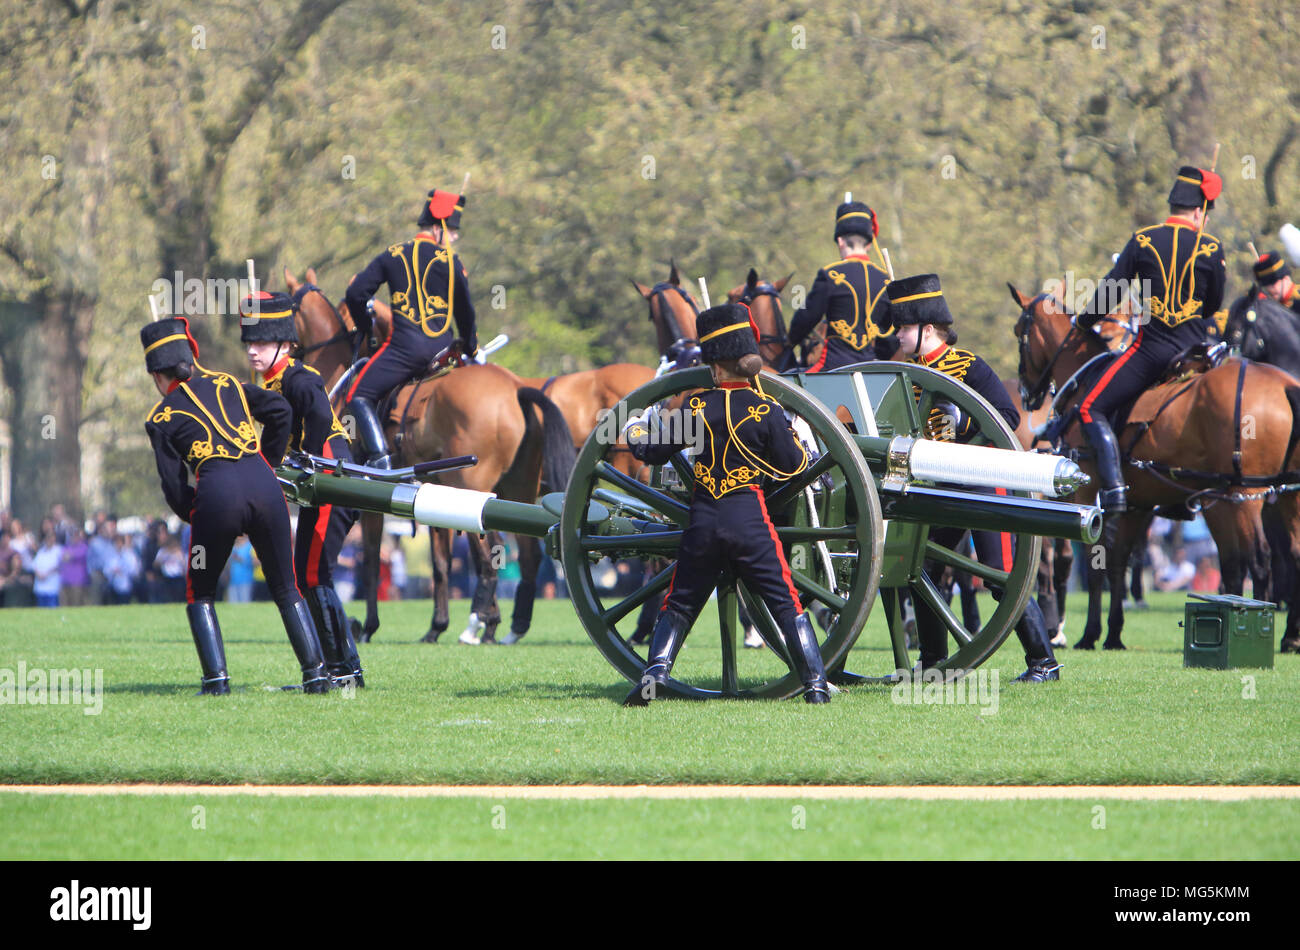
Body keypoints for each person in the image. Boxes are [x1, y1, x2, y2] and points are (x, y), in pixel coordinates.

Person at [622, 302, 830, 705]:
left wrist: (633, 429)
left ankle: (655, 674)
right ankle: (816, 687)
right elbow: (793, 466)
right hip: (749, 520)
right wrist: (794, 436)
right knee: (785, 601)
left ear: (716, 366)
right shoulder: (767, 409)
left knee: (679, 603)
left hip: (704, 520)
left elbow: (653, 451)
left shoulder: (696, 406)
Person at [141, 316, 331, 694]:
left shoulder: (159, 418)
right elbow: (280, 411)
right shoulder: (228, 382)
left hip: (215, 499)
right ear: (191, 360)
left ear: (158, 376)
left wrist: (207, 514)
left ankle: (216, 681)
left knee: (199, 590)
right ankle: (316, 675)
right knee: (287, 587)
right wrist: (268, 463)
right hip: (266, 489)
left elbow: (175, 490)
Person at [889, 273, 1062, 680]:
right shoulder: (909, 373)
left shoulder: (970, 366)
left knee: (1002, 578)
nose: (898, 335)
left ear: (928, 330)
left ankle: (1043, 662)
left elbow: (1007, 418)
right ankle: (934, 664)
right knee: (923, 570)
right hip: (939, 485)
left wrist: (962, 420)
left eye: (905, 327)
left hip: (984, 479)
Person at [1075, 165, 1228, 513]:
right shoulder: (1212, 247)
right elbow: (1215, 304)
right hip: (1194, 357)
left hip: (1152, 354)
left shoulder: (1143, 239)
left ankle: (1114, 489)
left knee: (1088, 407)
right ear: (1199, 211)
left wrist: (1084, 323)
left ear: (1175, 205)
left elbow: (1109, 293)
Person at [242, 290, 364, 685]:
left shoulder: (300, 378)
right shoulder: (273, 384)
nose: (252, 352)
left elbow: (315, 424)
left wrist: (306, 463)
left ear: (286, 344)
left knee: (312, 574)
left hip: (332, 481)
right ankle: (336, 667)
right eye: (249, 343)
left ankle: (344, 670)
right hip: (318, 488)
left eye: (260, 342)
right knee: (306, 574)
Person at [343, 186, 478, 469]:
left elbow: (356, 293)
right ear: (439, 227)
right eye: (453, 232)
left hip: (404, 352)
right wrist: (471, 346)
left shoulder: (391, 254)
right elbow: (466, 312)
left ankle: (380, 459)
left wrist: (365, 327)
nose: (454, 239)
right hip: (445, 353)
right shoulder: (452, 262)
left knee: (358, 394)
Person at [788, 198, 896, 371]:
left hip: (833, 365)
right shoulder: (884, 279)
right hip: (871, 367)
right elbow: (889, 333)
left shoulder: (830, 274)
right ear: (868, 244)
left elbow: (806, 318)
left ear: (840, 241)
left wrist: (790, 341)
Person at [30, 525, 63, 608]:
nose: (49, 540)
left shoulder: (59, 550)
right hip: (40, 587)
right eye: (48, 538)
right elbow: (34, 565)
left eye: (51, 537)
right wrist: (38, 574)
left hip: (53, 586)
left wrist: (47, 574)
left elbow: (59, 565)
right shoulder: (41, 551)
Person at [226, 536, 254, 603]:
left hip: (246, 580)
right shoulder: (232, 546)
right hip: (232, 580)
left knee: (245, 602)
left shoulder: (249, 546)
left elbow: (254, 562)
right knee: (232, 602)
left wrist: (240, 559)